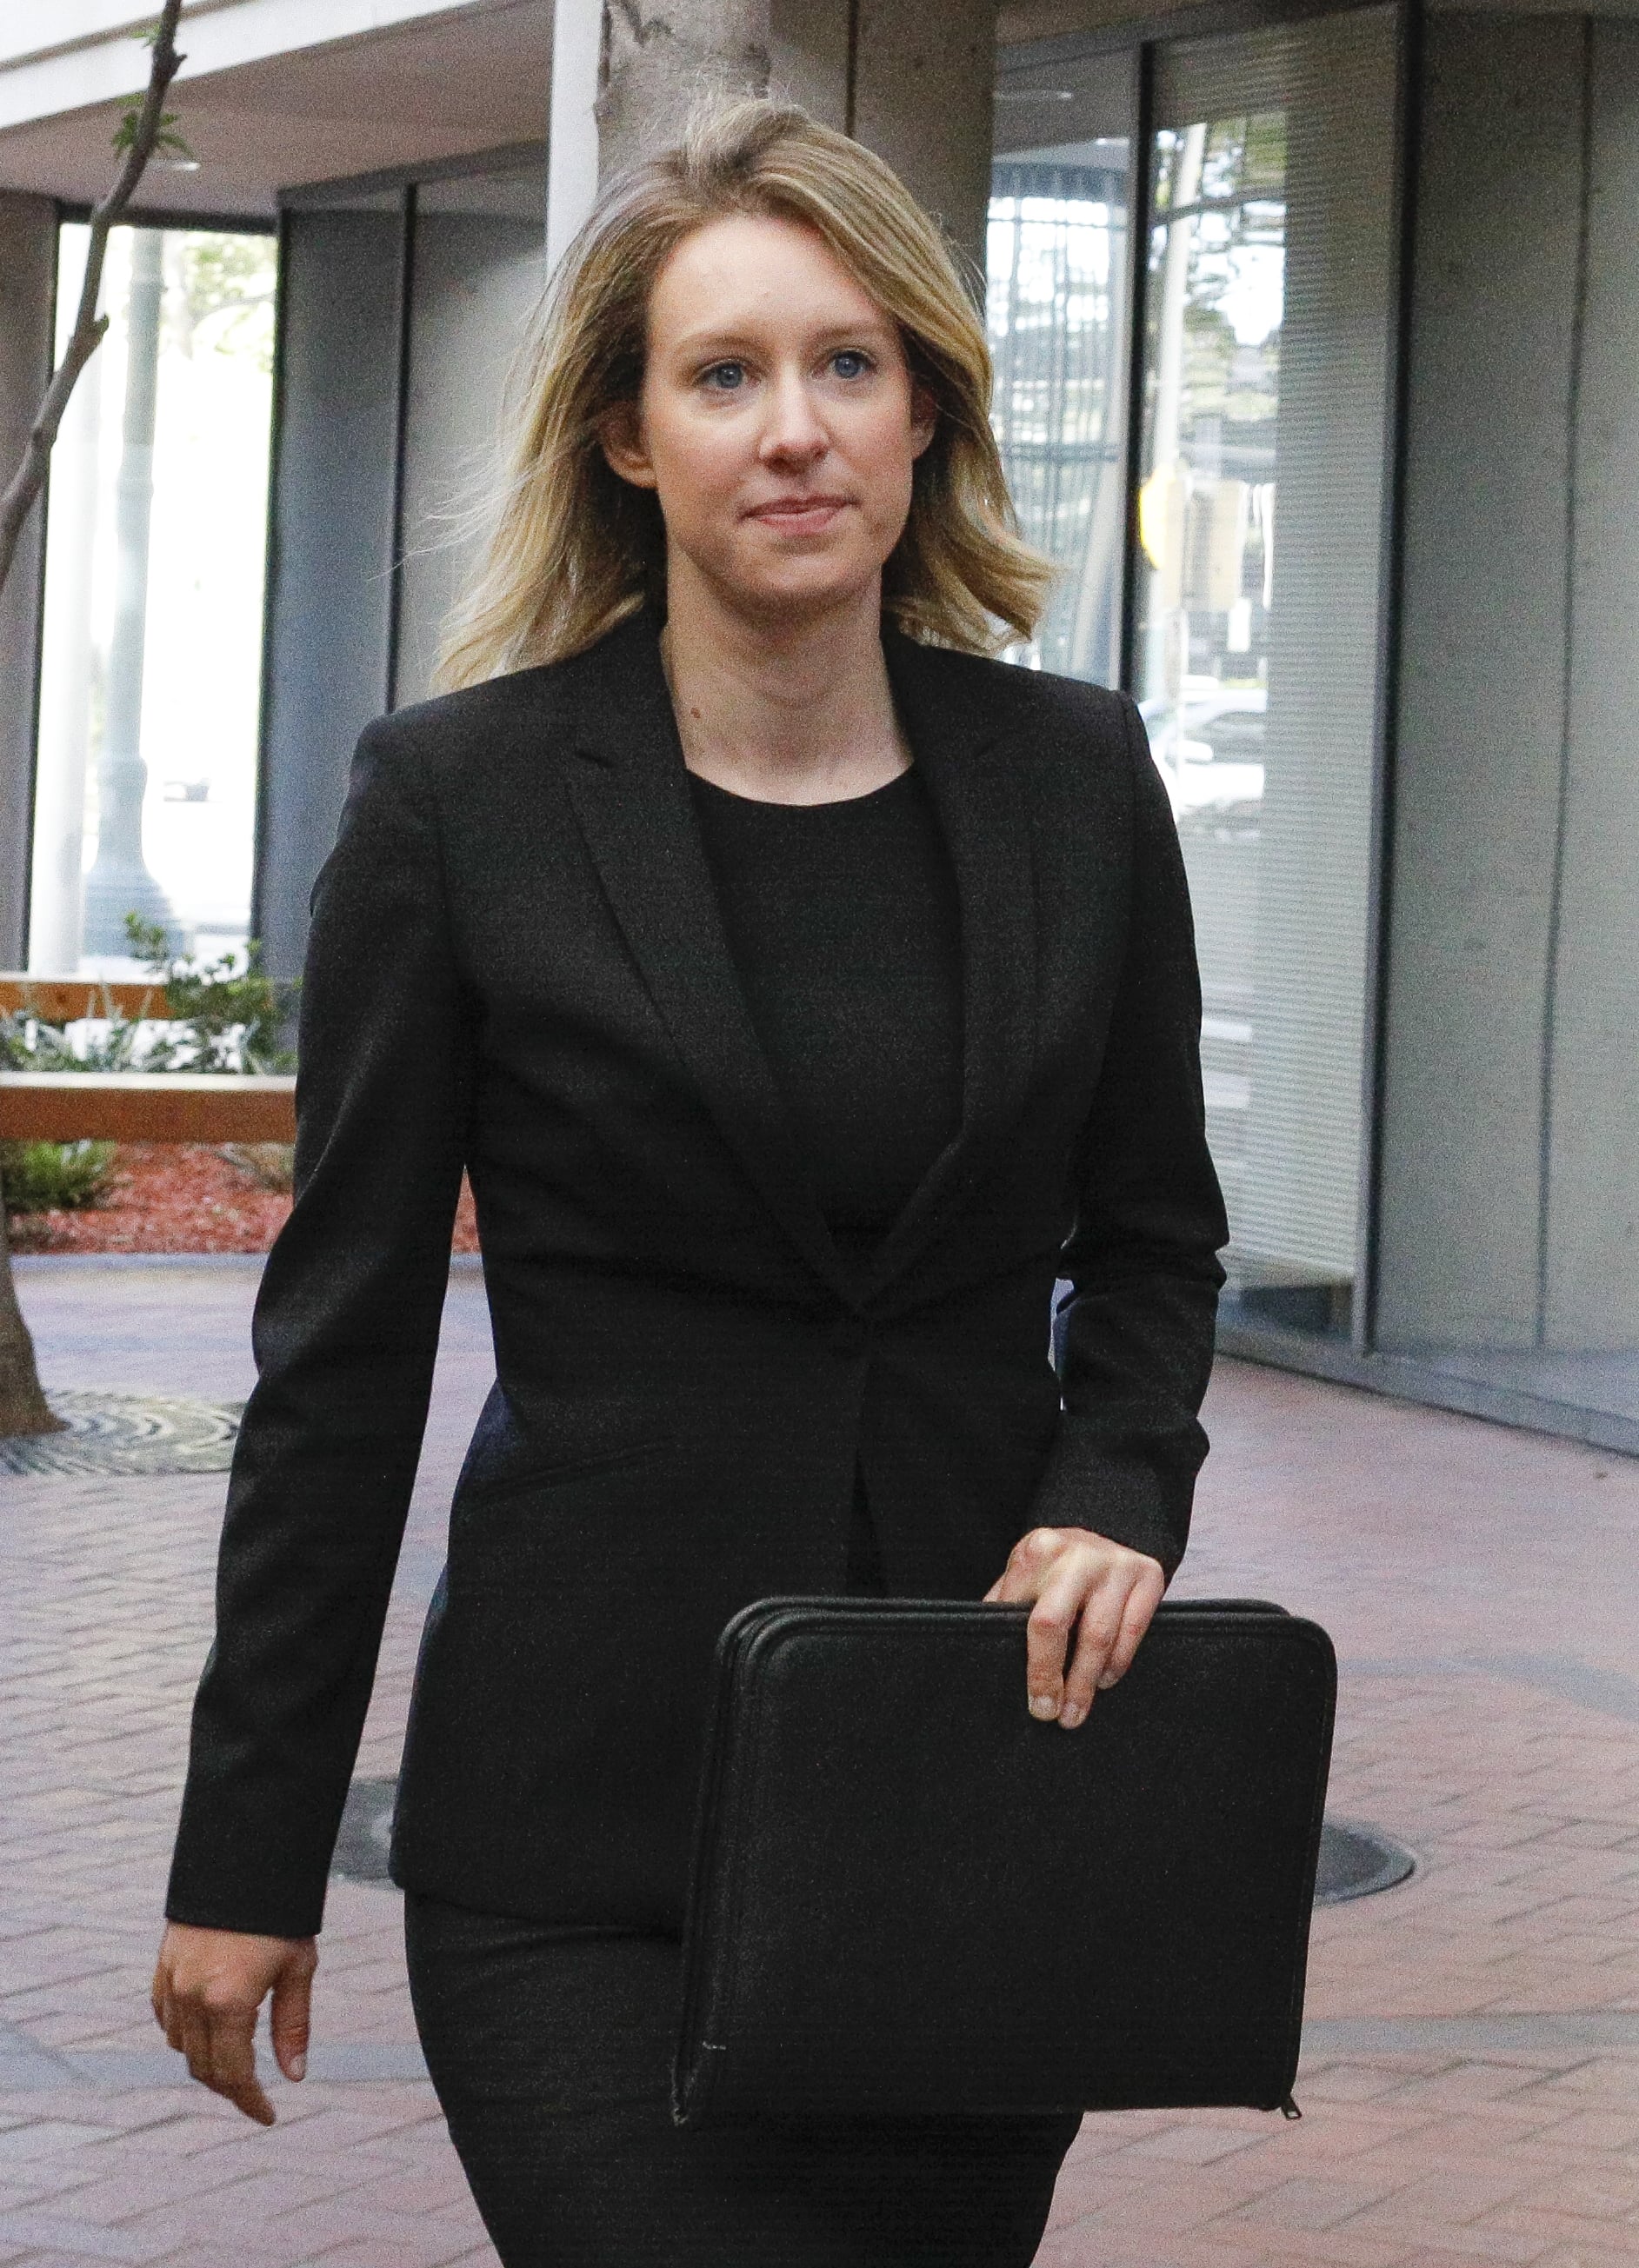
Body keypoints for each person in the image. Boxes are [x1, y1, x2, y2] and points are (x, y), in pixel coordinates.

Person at [150, 96, 1228, 2267]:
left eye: (847, 363)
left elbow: (1153, 1233)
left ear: (925, 406)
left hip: (967, 1775)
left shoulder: (1075, 782)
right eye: (723, 373)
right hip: (574, 1832)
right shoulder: (460, 806)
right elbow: (340, 1362)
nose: (795, 428)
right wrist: (244, 1849)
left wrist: (1119, 1481)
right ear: (629, 440)